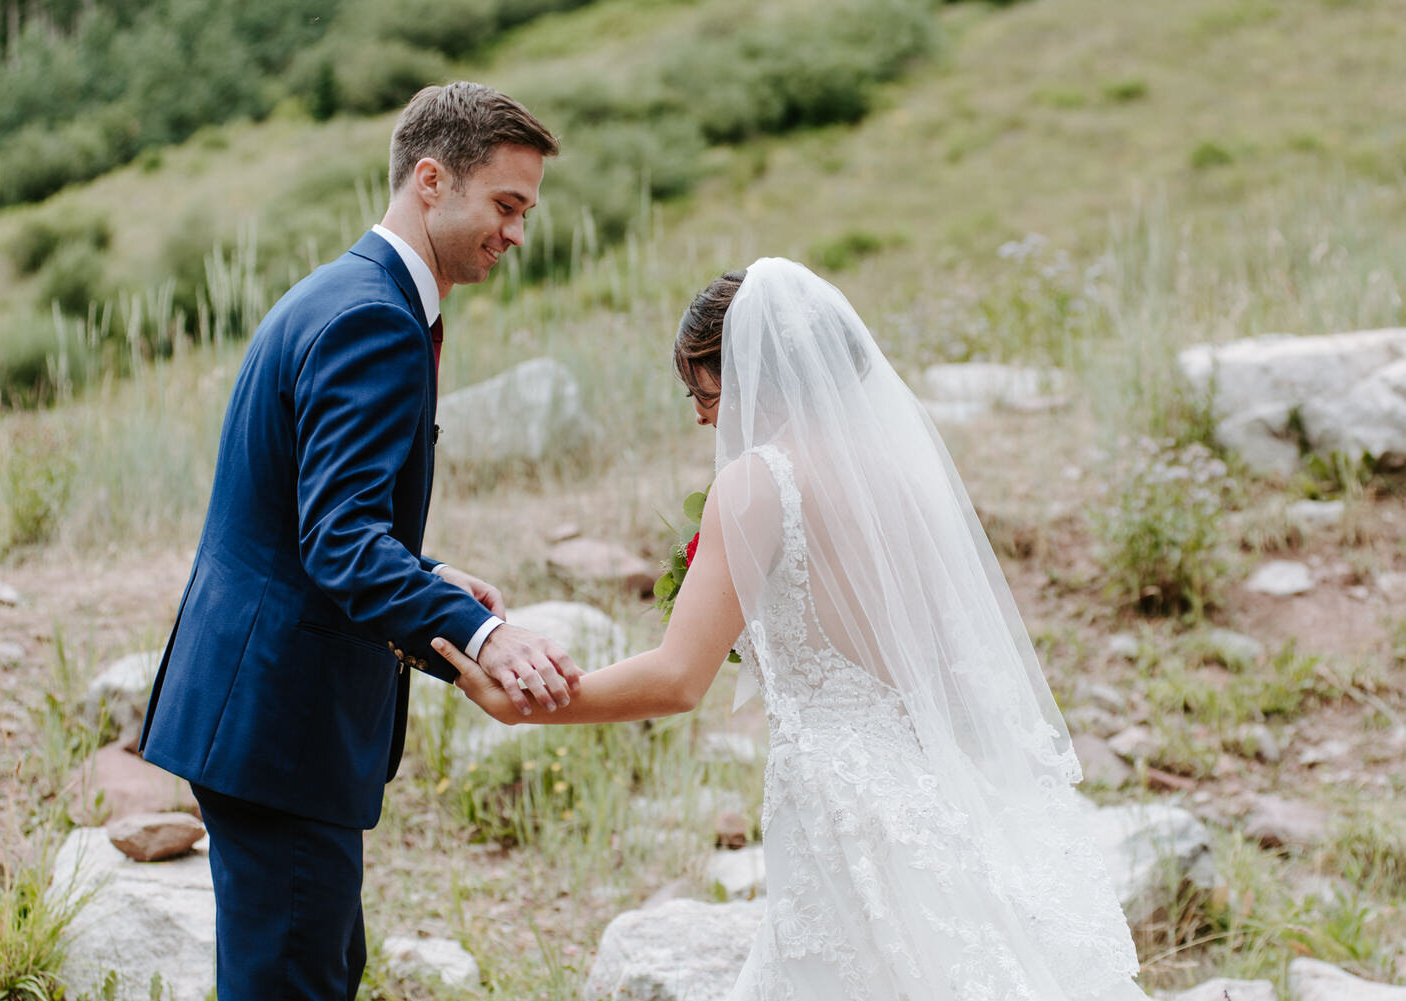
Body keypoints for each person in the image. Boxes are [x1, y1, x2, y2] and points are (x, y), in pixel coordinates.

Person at [441, 258, 1150, 999]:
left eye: (704, 390)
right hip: (925, 793)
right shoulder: (901, 479)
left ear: (754, 375)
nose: (701, 415)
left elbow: (679, 678)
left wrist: (530, 704)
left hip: (839, 804)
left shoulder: (755, 484)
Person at [139, 83, 582, 1000]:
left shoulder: (345, 292)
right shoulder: (376, 320)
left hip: (258, 715)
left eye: (526, 212)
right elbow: (340, 539)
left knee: (319, 966)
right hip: (283, 724)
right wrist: (487, 636)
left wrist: (424, 570)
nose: (517, 233)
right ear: (432, 179)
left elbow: (311, 516)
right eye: (506, 205)